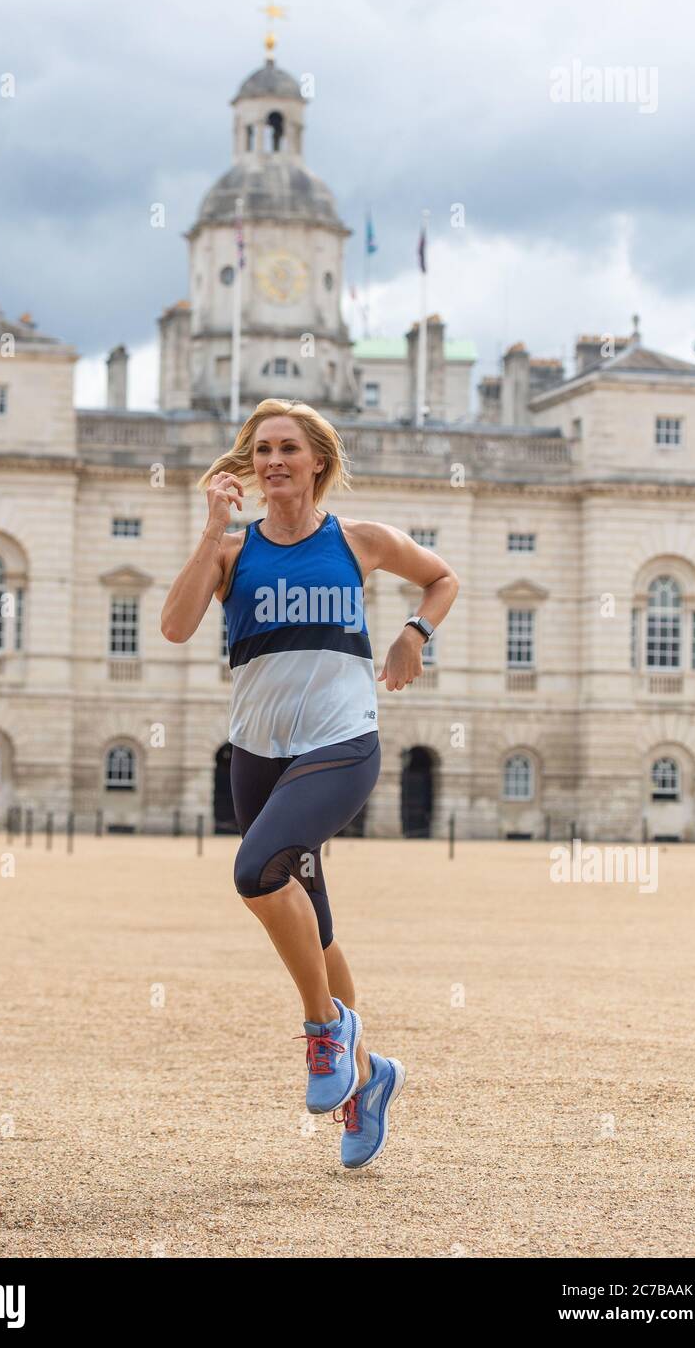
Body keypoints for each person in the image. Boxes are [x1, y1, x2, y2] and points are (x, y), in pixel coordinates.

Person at [161, 398, 459, 1167]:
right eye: (260, 450)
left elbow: (441, 578)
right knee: (313, 924)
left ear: (316, 461)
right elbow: (173, 625)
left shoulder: (357, 541)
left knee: (255, 873)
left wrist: (410, 634)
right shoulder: (231, 554)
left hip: (341, 740)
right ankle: (368, 1078)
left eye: (287, 448)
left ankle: (326, 1029)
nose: (272, 462)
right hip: (256, 753)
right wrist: (208, 532)